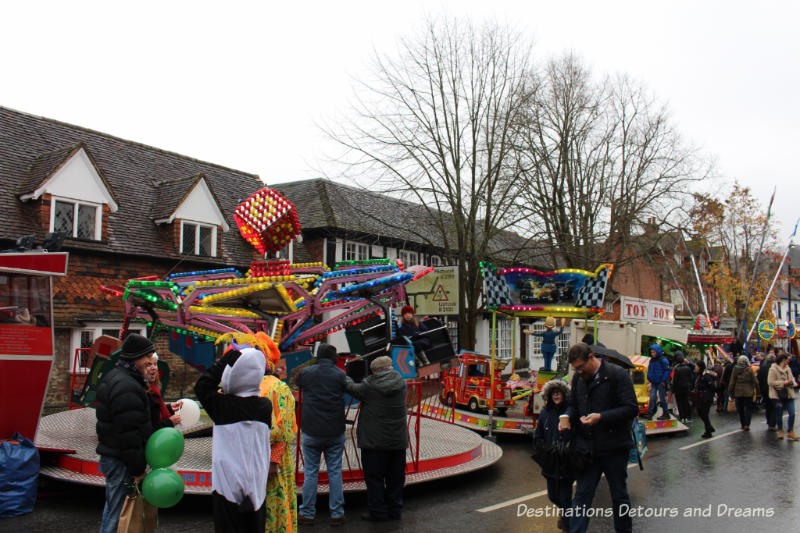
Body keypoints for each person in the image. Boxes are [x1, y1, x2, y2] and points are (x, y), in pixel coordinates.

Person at [561, 343, 639, 533]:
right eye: (575, 369)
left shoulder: (617, 375)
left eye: (581, 367)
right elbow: (573, 404)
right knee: (581, 496)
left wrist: (601, 417)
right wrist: (566, 417)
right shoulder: (579, 379)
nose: (579, 372)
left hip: (614, 448)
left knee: (619, 496)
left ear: (592, 357)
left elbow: (631, 408)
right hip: (587, 449)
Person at [195, 343, 272, 532]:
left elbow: (202, 387)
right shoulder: (264, 406)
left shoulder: (223, 406)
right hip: (256, 484)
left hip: (227, 484)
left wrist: (222, 363)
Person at [95, 333, 156, 533]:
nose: (150, 361)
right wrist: (138, 469)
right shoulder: (127, 386)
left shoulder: (117, 376)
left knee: (114, 508)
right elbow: (128, 434)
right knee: (119, 513)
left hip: (113, 455)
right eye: (147, 356)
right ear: (136, 357)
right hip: (121, 460)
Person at [345, 356, 408, 522]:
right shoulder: (401, 383)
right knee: (396, 479)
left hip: (374, 443)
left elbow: (350, 387)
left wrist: (343, 375)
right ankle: (395, 510)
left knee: (375, 480)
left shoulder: (370, 385)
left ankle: (378, 512)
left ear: (374, 371)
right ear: (390, 367)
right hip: (397, 441)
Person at [295, 343, 348, 526]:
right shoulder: (340, 374)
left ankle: (308, 513)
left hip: (311, 430)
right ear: (333, 358)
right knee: (335, 472)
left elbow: (297, 381)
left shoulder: (307, 373)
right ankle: (337, 513)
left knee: (310, 472)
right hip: (335, 430)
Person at [254, 332, 299, 533]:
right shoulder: (279, 388)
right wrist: (274, 460)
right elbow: (284, 429)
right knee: (275, 503)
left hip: (256, 456)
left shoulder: (240, 385)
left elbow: (281, 429)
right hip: (270, 458)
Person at [533, 379, 573, 533]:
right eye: (553, 393)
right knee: (552, 496)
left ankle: (567, 527)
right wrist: (541, 449)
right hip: (550, 460)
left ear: (564, 395)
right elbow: (539, 434)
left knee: (564, 497)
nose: (556, 396)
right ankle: (566, 512)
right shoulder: (545, 412)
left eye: (559, 393)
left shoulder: (570, 412)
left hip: (566, 460)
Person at [145, 353, 182, 430]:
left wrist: (168, 408)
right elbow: (147, 427)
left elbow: (155, 414)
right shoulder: (144, 393)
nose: (153, 368)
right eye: (149, 365)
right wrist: (169, 422)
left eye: (155, 364)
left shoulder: (154, 389)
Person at [768, 353, 799, 441]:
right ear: (783, 360)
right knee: (779, 413)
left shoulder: (788, 369)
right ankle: (780, 431)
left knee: (792, 412)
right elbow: (770, 382)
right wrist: (783, 383)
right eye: (787, 360)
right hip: (778, 394)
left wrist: (792, 382)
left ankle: (790, 431)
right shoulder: (773, 369)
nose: (788, 361)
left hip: (788, 393)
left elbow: (792, 379)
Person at [728, 355, 759, 430]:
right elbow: (755, 381)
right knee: (748, 409)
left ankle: (742, 424)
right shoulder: (749, 369)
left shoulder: (735, 369)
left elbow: (732, 382)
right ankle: (747, 424)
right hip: (748, 392)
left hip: (738, 392)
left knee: (740, 409)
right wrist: (758, 391)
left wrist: (730, 392)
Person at [645, 344, 671, 420]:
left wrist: (663, 380)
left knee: (661, 398)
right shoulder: (654, 360)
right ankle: (651, 413)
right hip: (655, 382)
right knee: (653, 398)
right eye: (652, 352)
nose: (652, 353)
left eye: (653, 352)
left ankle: (665, 413)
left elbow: (667, 370)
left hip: (659, 382)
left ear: (657, 352)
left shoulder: (662, 360)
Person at [693, 360, 717, 438]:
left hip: (706, 397)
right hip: (700, 397)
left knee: (704, 413)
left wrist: (711, 394)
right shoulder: (699, 375)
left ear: (700, 367)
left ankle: (708, 431)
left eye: (696, 366)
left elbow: (712, 386)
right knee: (701, 412)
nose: (695, 367)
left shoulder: (706, 375)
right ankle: (709, 427)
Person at [671, 352, 695, 423]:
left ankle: (682, 417)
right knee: (686, 402)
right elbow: (691, 378)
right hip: (686, 388)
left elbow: (674, 380)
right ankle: (688, 417)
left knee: (680, 403)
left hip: (678, 389)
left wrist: (673, 389)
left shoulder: (676, 369)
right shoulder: (688, 368)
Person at [757, 353, 777, 431]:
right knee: (774, 407)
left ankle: (769, 422)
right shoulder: (775, 368)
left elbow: (759, 379)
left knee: (768, 406)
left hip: (764, 390)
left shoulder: (762, 368)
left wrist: (761, 389)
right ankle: (772, 424)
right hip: (773, 389)